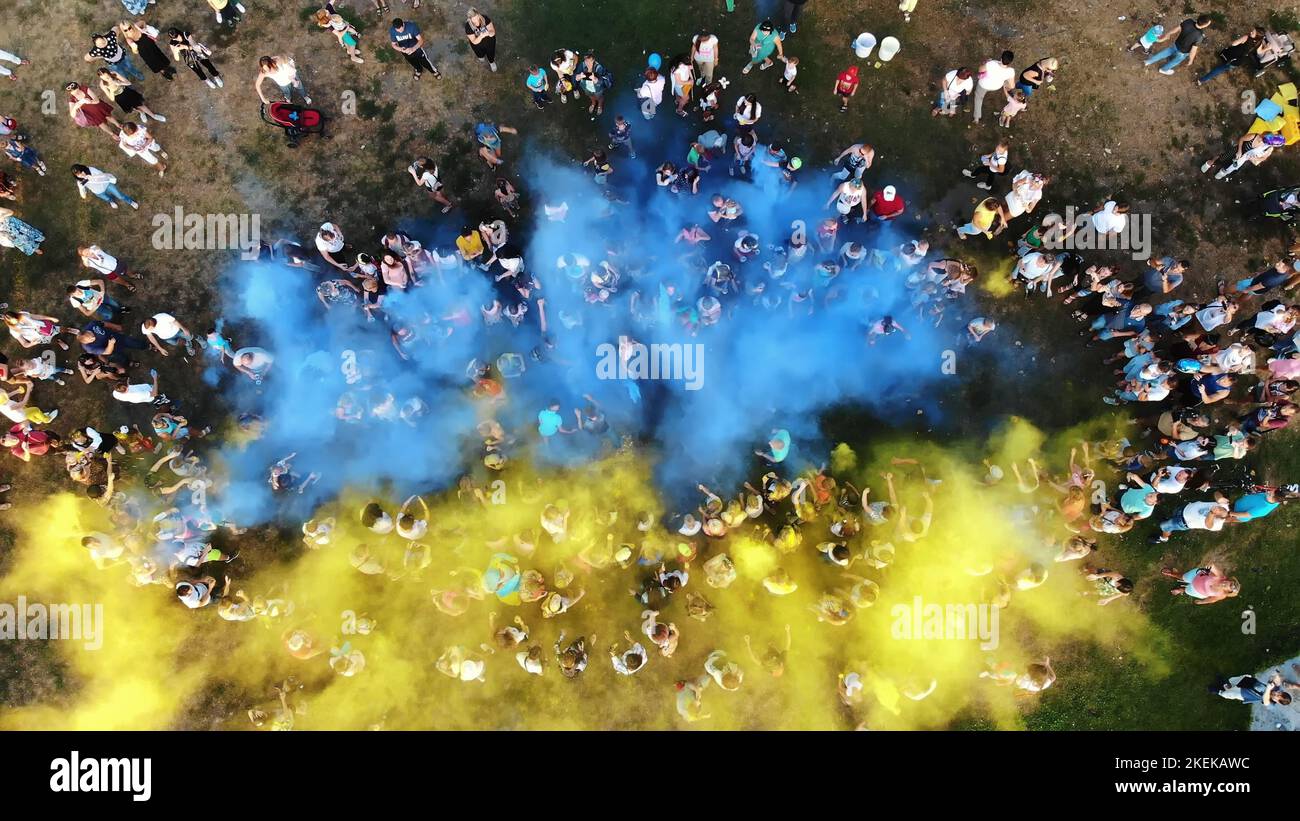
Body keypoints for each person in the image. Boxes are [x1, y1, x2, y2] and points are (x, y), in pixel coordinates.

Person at [1200, 131, 1284, 181]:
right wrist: (1239, 151)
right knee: (1221, 159)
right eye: (1262, 139)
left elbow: (1263, 158)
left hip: (1243, 159)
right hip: (1237, 151)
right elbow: (1242, 139)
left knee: (1230, 167)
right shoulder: (1253, 136)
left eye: (1264, 142)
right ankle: (1209, 163)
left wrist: (1256, 158)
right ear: (1263, 135)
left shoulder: (1269, 148)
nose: (1261, 141)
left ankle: (1222, 172)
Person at [1145, 14, 1212, 75]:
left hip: (1176, 44)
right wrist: (1191, 60)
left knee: (1163, 53)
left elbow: (1176, 29)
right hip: (1183, 53)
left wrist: (1168, 34)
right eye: (1208, 24)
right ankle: (1163, 69)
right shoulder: (1200, 36)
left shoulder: (1189, 21)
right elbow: (1193, 50)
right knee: (1174, 62)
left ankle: (1148, 62)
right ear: (1204, 25)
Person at [974, 50, 1015, 123]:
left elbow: (980, 70)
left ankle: (976, 118)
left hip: (983, 85)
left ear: (1001, 58)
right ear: (1010, 62)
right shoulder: (1011, 71)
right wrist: (1005, 85)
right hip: (996, 86)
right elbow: (1012, 86)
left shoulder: (992, 63)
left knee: (978, 99)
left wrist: (986, 63)